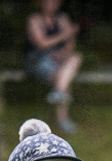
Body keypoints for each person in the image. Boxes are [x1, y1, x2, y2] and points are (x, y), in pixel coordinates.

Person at [26, 0, 83, 134]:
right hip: (38, 62)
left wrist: (62, 53)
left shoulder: (62, 18)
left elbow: (70, 44)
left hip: (58, 61)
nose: (50, 3)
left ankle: (59, 92)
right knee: (64, 78)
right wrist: (64, 35)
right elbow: (42, 43)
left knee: (75, 58)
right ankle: (62, 119)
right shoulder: (34, 20)